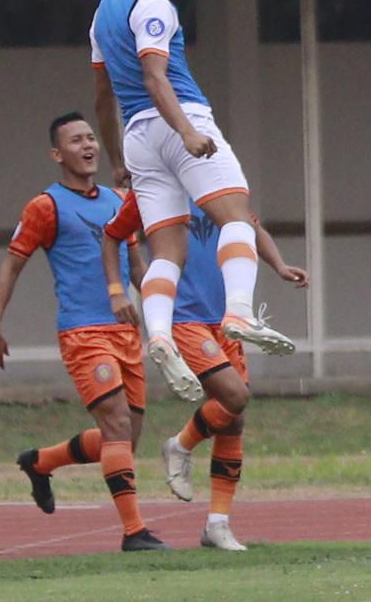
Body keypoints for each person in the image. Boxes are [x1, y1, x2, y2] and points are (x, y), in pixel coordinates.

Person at [90, 0, 295, 395]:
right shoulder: (153, 5)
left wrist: (117, 158)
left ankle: (159, 335)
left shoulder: (103, 11)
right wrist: (186, 132)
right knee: (236, 216)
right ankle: (240, 312)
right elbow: (155, 77)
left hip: (139, 137)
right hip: (178, 120)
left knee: (169, 253)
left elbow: (103, 98)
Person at [0, 112, 168, 552]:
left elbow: (139, 268)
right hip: (83, 333)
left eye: (91, 138)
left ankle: (40, 462)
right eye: (75, 140)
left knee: (124, 438)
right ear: (56, 154)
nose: (87, 146)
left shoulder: (119, 201)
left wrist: (165, 312)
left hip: (126, 332)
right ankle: (134, 532)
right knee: (118, 425)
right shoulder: (45, 207)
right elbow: (12, 264)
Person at [101, 191, 308, 551]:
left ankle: (218, 524)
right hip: (185, 318)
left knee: (234, 418)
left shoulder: (220, 187)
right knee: (235, 395)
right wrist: (118, 291)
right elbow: (112, 236)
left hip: (225, 319)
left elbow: (252, 228)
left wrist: (279, 265)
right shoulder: (152, 190)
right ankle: (179, 446)